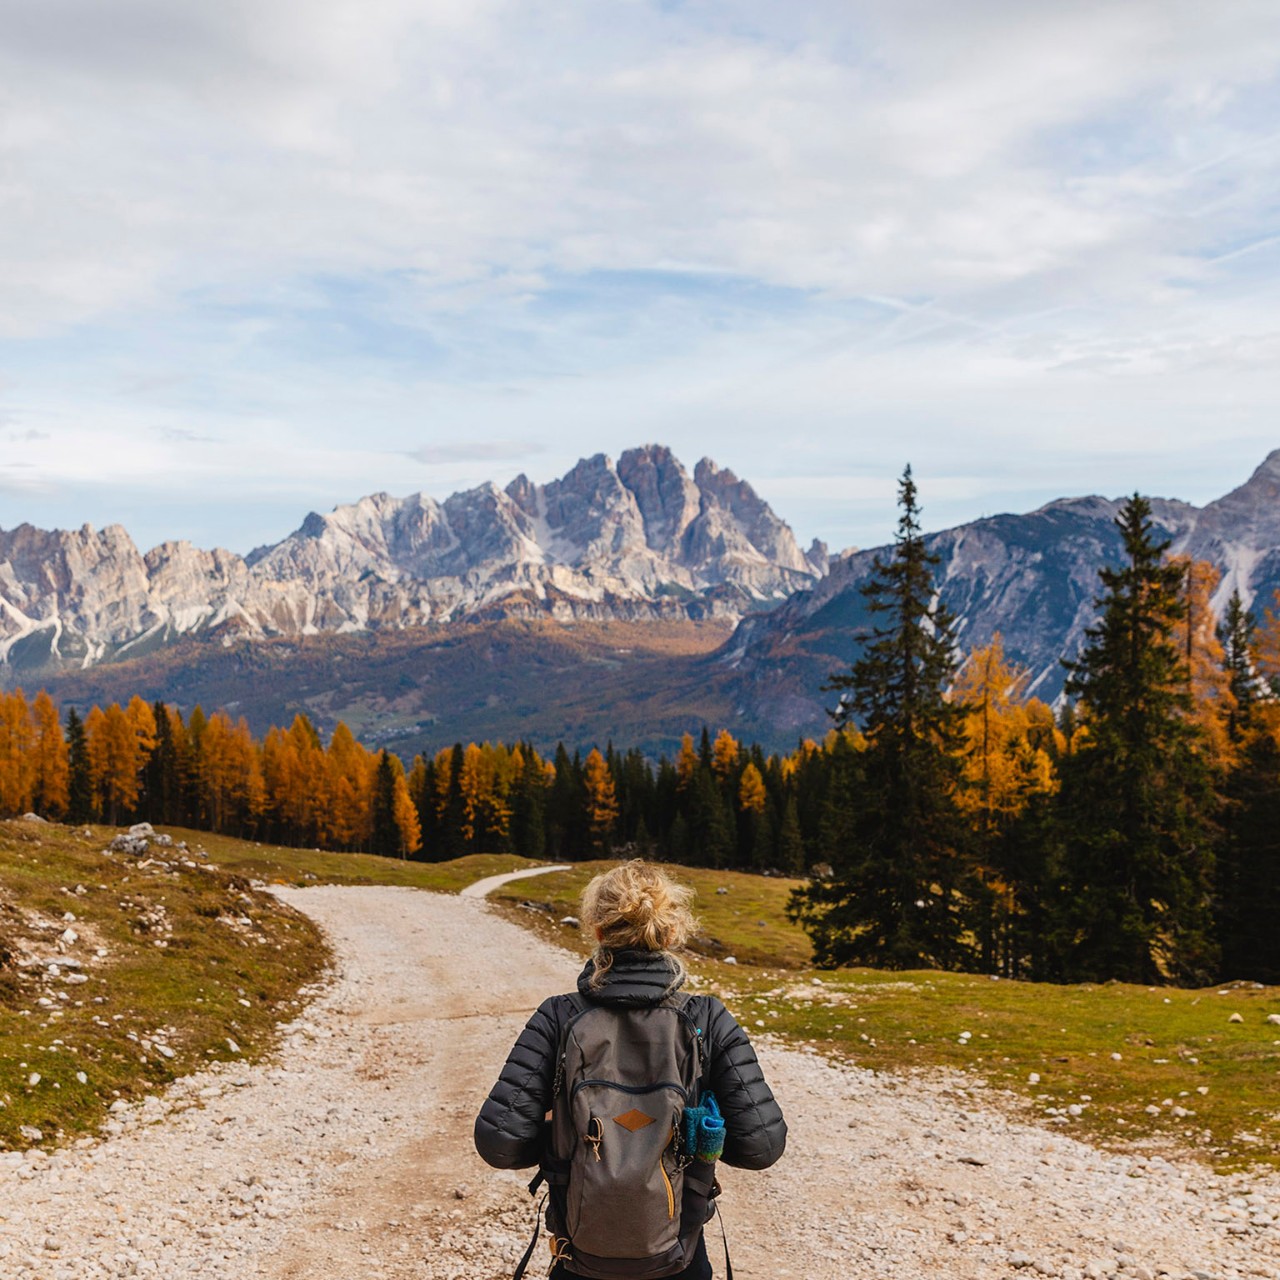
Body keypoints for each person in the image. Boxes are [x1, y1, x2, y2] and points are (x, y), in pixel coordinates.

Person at [475, 859, 787, 1279]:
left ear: (598, 931)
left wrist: (565, 1138)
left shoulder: (558, 1017)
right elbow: (762, 1147)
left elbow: (498, 1144)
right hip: (679, 1254)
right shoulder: (706, 1018)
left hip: (580, 1255)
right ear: (671, 932)